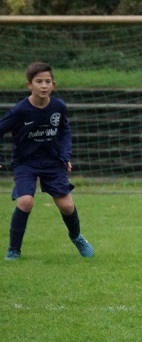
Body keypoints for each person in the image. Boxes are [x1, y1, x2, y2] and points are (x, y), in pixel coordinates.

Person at [0, 62, 93, 261]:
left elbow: (65, 131)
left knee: (67, 206)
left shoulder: (59, 106)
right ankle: (14, 250)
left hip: (52, 161)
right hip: (25, 162)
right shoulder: (20, 111)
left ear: (53, 84)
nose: (44, 85)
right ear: (29, 85)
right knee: (25, 201)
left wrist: (65, 156)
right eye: (39, 81)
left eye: (47, 81)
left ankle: (77, 237)